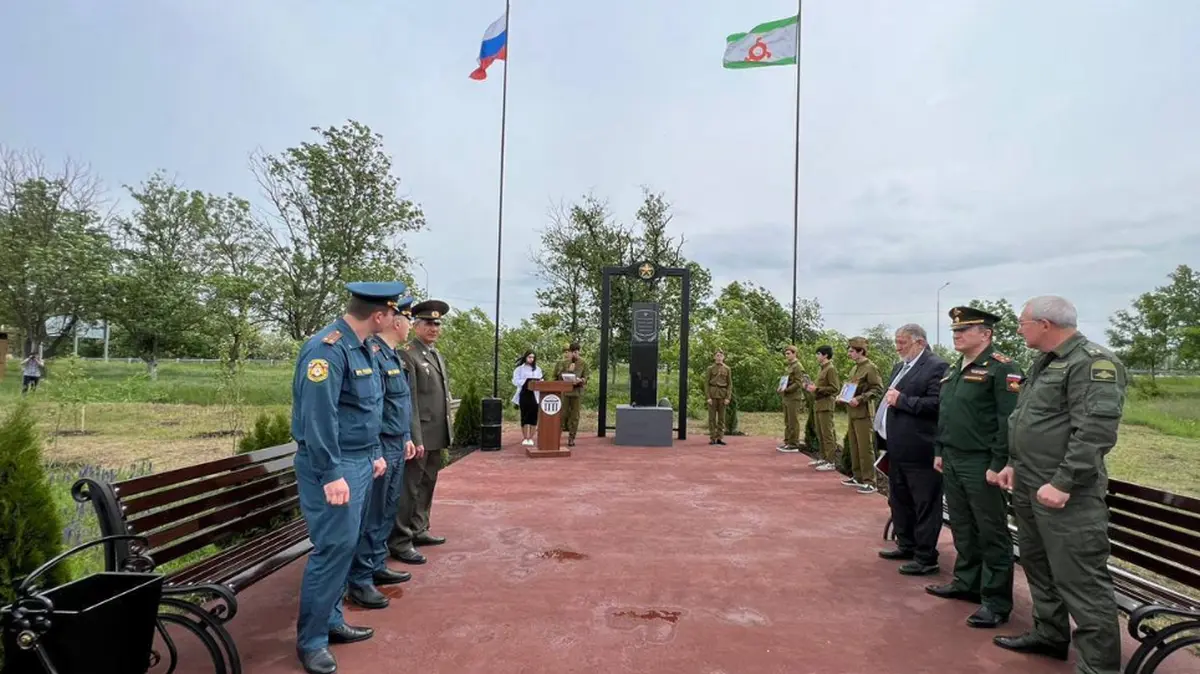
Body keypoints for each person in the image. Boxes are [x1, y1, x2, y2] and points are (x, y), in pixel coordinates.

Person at [993, 296, 1126, 673]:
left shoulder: (1092, 363)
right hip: (1030, 483)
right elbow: (1028, 419)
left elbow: (1095, 431)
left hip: (1068, 496)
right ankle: (1050, 634)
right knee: (1038, 565)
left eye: (1022, 322)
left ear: (1045, 324)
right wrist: (1013, 463)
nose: (1019, 329)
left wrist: (1064, 482)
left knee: (1081, 581)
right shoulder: (1046, 362)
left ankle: (1098, 667)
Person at [291, 281, 405, 674]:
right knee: (332, 548)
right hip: (333, 467)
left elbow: (366, 410)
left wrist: (373, 452)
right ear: (377, 315)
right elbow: (319, 417)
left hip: (358, 460)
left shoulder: (363, 349)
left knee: (346, 543)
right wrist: (330, 473)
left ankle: (332, 619)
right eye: (392, 312)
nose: (394, 319)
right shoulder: (327, 349)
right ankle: (312, 641)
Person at [926, 305, 1021, 630]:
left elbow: (1007, 421)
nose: (957, 335)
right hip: (952, 457)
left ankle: (995, 601)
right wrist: (940, 449)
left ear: (986, 334)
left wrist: (999, 463)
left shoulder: (1000, 369)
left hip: (982, 462)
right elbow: (947, 414)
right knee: (963, 526)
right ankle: (967, 582)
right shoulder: (955, 370)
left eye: (964, 330)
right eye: (954, 331)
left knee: (991, 531)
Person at [346, 291, 420, 610]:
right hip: (379, 444)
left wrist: (404, 435)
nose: (410, 325)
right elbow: (372, 408)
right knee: (372, 510)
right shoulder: (374, 353)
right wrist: (378, 445)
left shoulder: (392, 356)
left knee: (387, 507)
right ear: (396, 320)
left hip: (394, 441)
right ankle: (361, 579)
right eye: (408, 319)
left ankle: (375, 563)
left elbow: (397, 404)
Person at [874, 324, 948, 576]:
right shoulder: (900, 367)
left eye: (902, 342)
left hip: (921, 449)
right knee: (899, 499)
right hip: (896, 448)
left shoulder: (937, 366)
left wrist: (902, 401)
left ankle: (926, 556)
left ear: (919, 342)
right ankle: (906, 544)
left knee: (924, 503)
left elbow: (938, 404)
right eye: (896, 341)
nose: (897, 347)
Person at [388, 300, 454, 566]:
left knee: (427, 484)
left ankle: (419, 528)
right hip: (420, 435)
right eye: (428, 323)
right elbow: (410, 401)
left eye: (437, 323)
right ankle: (401, 540)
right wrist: (414, 437)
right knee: (410, 488)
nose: (434, 328)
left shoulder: (435, 354)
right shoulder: (408, 354)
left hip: (436, 431)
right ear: (415, 325)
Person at [840, 336, 884, 493]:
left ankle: (870, 481)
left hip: (863, 412)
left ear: (861, 351)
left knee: (865, 448)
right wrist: (843, 396)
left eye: (851, 351)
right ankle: (858, 476)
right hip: (852, 412)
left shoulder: (870, 367)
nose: (849, 353)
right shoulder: (855, 368)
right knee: (854, 446)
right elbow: (851, 386)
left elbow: (877, 389)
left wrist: (860, 398)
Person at [805, 345, 841, 471]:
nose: (816, 356)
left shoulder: (830, 369)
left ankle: (831, 461)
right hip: (819, 404)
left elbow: (835, 388)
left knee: (827, 434)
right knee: (820, 432)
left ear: (825, 355)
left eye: (818, 354)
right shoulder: (822, 369)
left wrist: (817, 389)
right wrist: (812, 388)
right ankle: (824, 457)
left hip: (826, 404)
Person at [552, 342, 589, 447]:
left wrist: (580, 380)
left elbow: (586, 377)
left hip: (577, 392)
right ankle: (556, 436)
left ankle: (571, 438)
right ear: (570, 352)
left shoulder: (583, 363)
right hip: (565, 392)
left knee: (575, 416)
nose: (575, 354)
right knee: (562, 415)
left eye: (577, 352)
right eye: (573, 352)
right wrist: (568, 370)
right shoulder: (563, 363)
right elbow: (556, 377)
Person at [776, 345, 806, 452]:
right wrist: (781, 387)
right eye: (786, 353)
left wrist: (787, 390)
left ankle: (793, 444)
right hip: (787, 397)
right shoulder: (789, 366)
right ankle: (788, 441)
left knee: (793, 421)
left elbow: (798, 382)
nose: (786, 355)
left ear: (794, 353)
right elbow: (786, 380)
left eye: (789, 353)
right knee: (787, 421)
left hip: (794, 397)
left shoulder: (798, 366)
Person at [511, 350, 543, 446]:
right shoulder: (519, 369)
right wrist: (526, 381)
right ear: (525, 357)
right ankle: (525, 437)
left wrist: (538, 382)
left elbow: (541, 380)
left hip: (535, 395)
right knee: (524, 416)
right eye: (529, 357)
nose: (531, 359)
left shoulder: (537, 369)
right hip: (524, 393)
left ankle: (531, 438)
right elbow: (515, 381)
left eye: (533, 357)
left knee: (533, 417)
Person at [705, 349, 733, 445]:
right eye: (717, 355)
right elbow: (706, 384)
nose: (719, 357)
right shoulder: (710, 368)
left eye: (720, 356)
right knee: (712, 418)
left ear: (723, 357)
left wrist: (728, 397)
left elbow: (729, 384)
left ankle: (720, 437)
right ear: (714, 357)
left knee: (721, 418)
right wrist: (708, 397)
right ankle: (712, 438)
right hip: (712, 395)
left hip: (722, 394)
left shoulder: (727, 369)